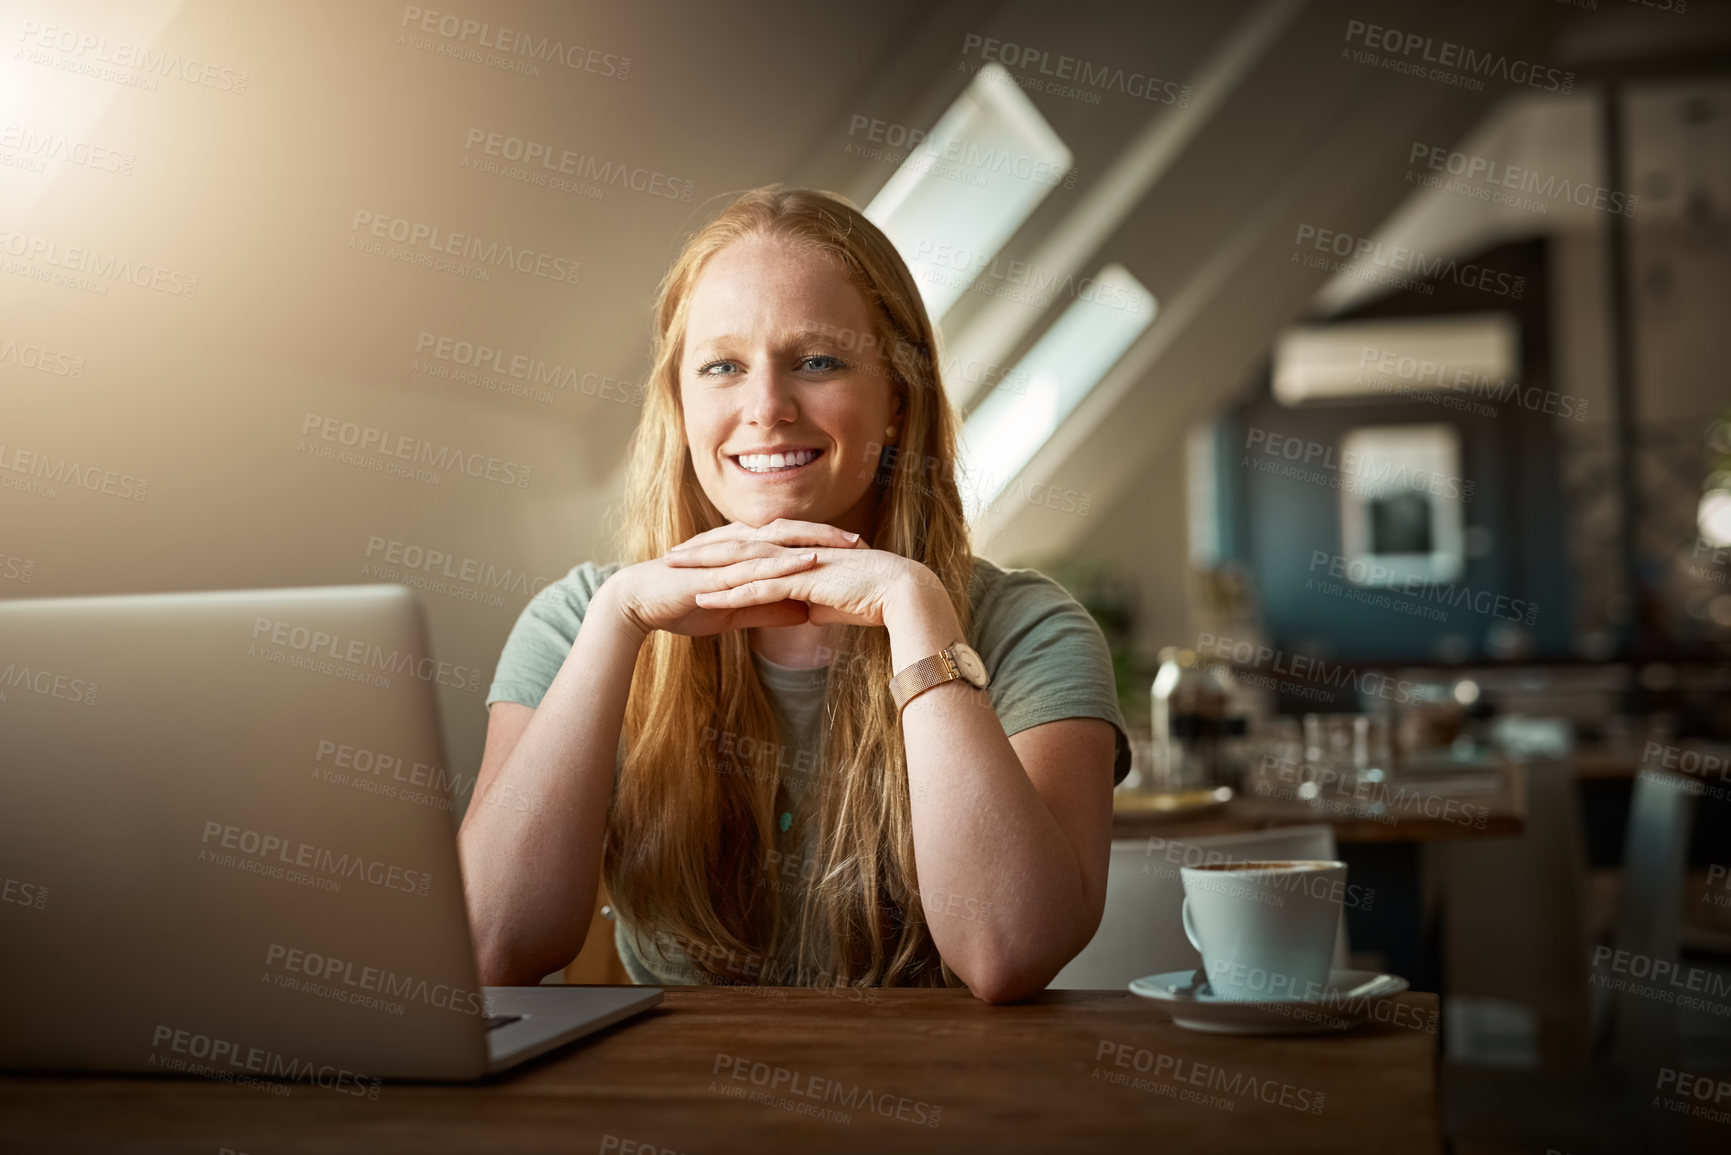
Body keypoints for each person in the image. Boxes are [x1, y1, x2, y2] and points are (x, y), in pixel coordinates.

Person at [459, 185, 1130, 1003]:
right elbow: (493, 945)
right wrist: (616, 624)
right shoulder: (577, 620)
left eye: (817, 361)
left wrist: (915, 608)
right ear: (678, 404)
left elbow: (1005, 949)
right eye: (722, 366)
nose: (767, 408)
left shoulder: (1031, 631)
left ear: (896, 400)